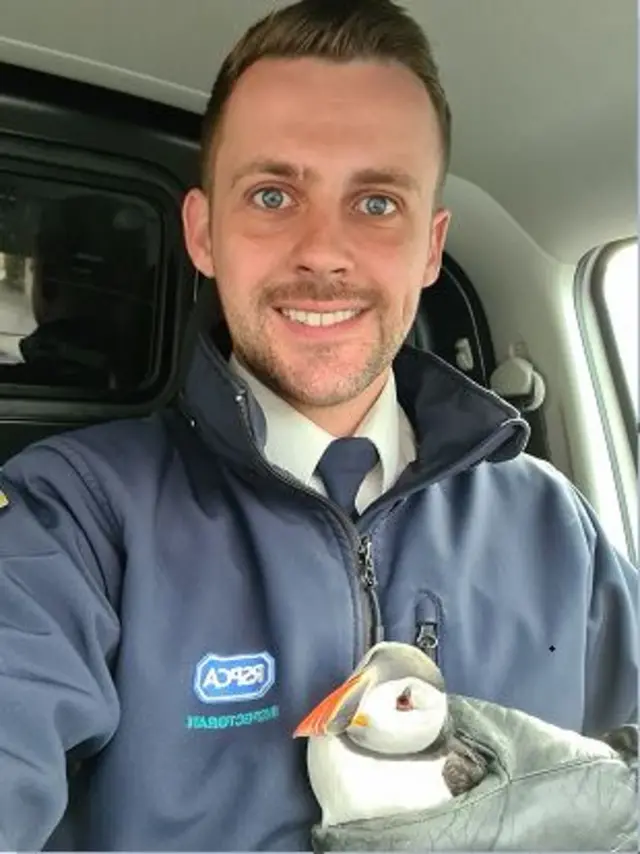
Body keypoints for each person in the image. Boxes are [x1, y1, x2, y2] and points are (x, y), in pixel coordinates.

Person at [0, 1, 636, 851]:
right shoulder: (70, 518)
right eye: (273, 194)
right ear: (204, 233)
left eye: (376, 203)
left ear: (430, 247)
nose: (323, 252)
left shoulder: (557, 525)